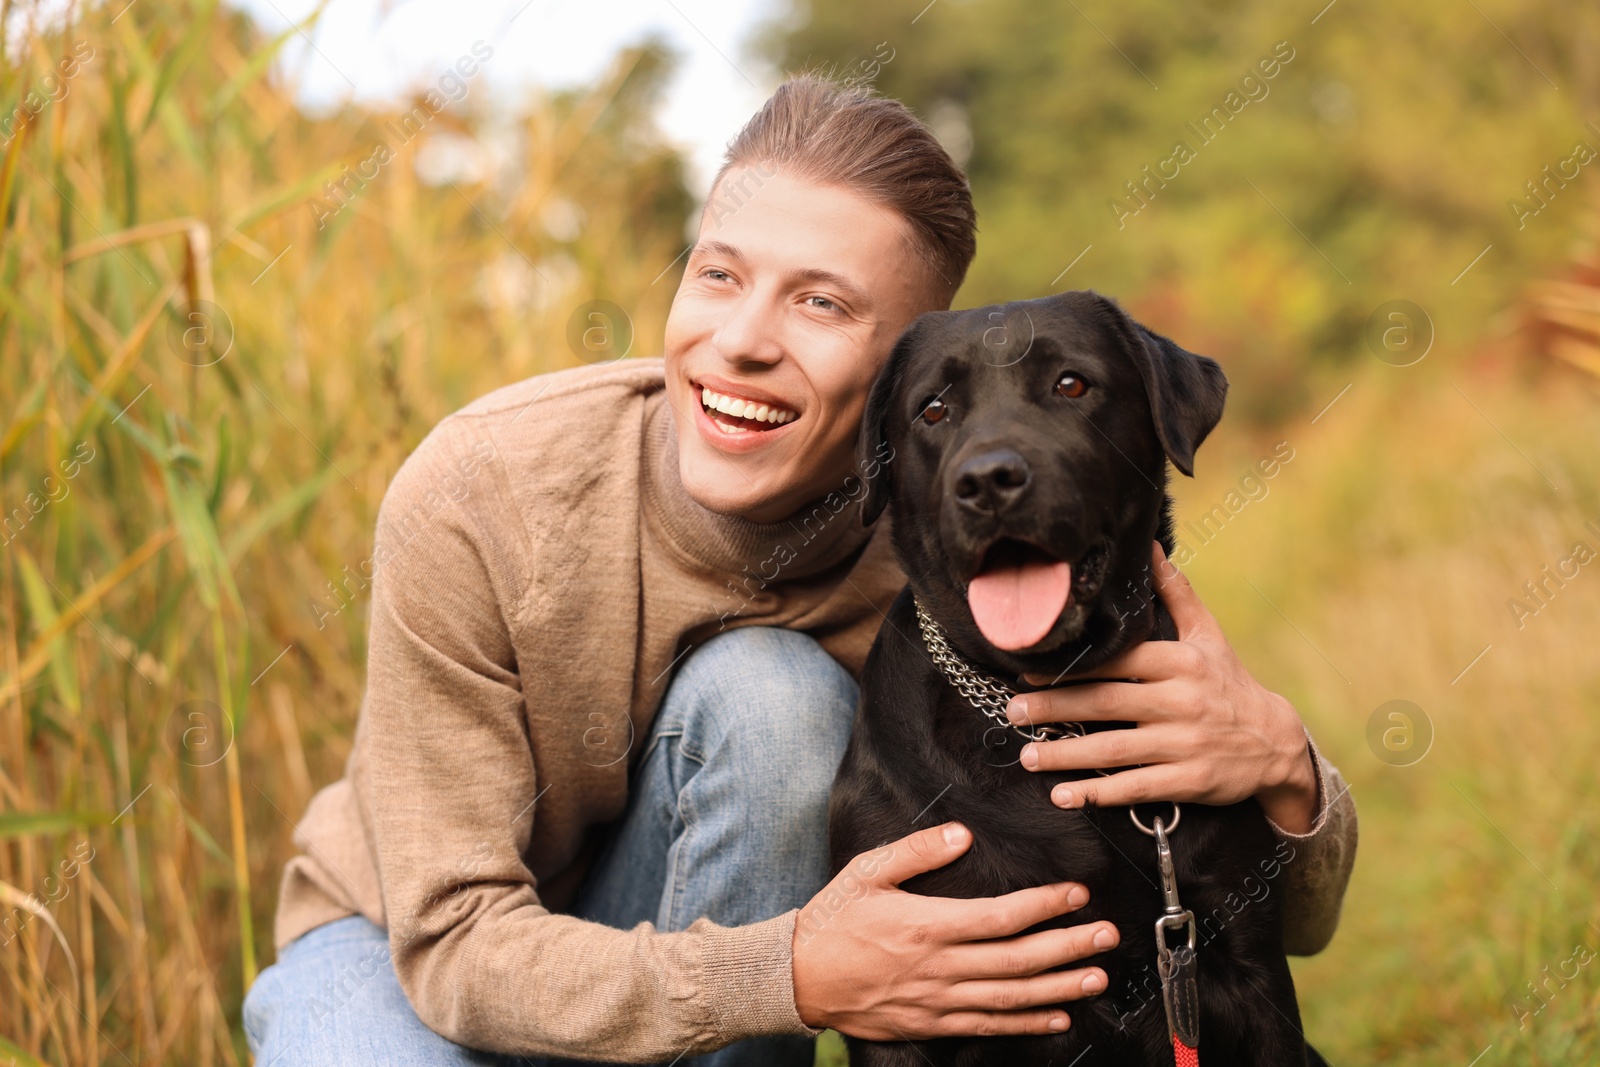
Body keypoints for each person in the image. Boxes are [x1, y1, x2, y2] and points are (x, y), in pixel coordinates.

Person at [243, 73, 1357, 1066]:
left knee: (769, 698)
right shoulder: (483, 489)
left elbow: (1286, 921)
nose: (741, 340)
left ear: (906, 373)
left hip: (699, 962)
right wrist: (788, 975)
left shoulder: (966, 544)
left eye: (821, 302)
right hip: (415, 950)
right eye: (718, 275)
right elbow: (451, 940)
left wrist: (1282, 762)